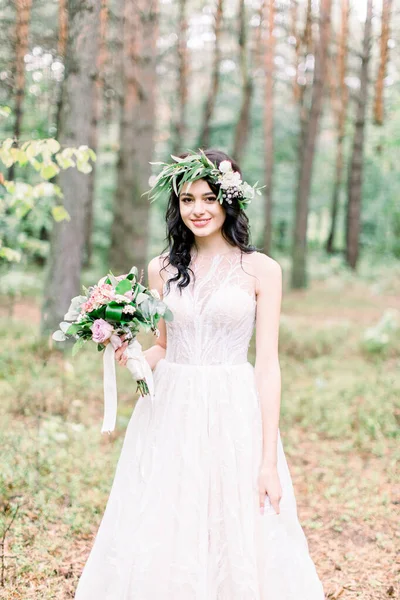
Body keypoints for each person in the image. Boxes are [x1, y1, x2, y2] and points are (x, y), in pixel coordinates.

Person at [74, 149, 325, 599]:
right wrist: (128, 351)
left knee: (235, 517)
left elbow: (267, 364)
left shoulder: (262, 270)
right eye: (187, 200)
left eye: (209, 197)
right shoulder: (163, 268)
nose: (198, 209)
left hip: (234, 408)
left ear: (230, 199)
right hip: (172, 409)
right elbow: (165, 348)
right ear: (177, 205)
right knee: (169, 513)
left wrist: (268, 461)